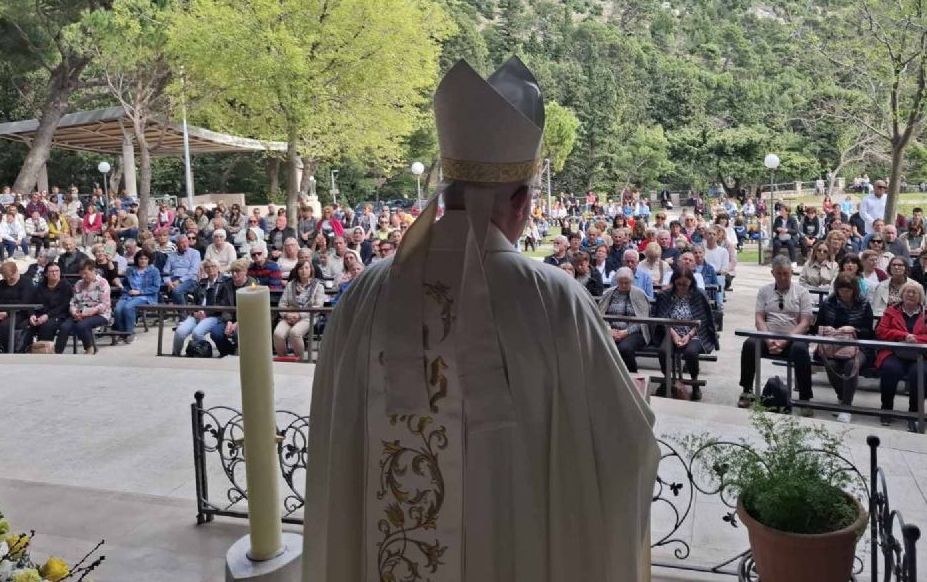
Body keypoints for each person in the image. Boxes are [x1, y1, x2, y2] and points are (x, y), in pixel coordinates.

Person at [303, 58, 658, 582]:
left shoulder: (368, 292)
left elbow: (337, 431)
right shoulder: (554, 299)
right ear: (521, 201)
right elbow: (625, 445)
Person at [738, 256, 814, 414]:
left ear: (791, 273)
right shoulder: (764, 291)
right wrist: (768, 339)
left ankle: (805, 398)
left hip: (793, 337)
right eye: (779, 273)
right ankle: (747, 390)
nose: (783, 277)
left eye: (786, 273)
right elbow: (759, 318)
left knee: (801, 351)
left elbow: (805, 322)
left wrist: (785, 341)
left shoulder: (802, 293)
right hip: (769, 336)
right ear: (773, 273)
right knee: (749, 345)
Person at [874, 279, 927, 430]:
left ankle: (914, 413)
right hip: (895, 351)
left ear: (920, 297)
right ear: (902, 294)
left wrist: (917, 339)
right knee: (889, 369)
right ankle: (886, 409)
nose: (911, 294)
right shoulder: (891, 311)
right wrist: (902, 335)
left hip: (922, 354)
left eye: (915, 292)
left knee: (918, 373)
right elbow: (881, 332)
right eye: (908, 291)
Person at [816, 273, 875, 423]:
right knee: (832, 365)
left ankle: (846, 407)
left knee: (851, 364)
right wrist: (828, 329)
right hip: (832, 345)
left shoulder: (863, 304)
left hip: (858, 346)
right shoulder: (829, 303)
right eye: (841, 290)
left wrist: (854, 329)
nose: (844, 293)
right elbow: (818, 326)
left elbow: (869, 331)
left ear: (854, 290)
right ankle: (843, 396)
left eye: (848, 290)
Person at [653, 267, 717, 401]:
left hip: (695, 332)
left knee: (691, 353)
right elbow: (661, 317)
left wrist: (689, 335)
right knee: (663, 351)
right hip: (670, 330)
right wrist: (673, 334)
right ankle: (667, 380)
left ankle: (695, 384)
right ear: (673, 282)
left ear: (691, 283)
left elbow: (704, 319)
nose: (682, 287)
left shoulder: (699, 294)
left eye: (685, 284)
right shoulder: (666, 295)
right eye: (679, 284)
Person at [598, 267, 650, 373]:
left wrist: (626, 332)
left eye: (627, 282)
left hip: (635, 332)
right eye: (620, 282)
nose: (624, 285)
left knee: (624, 348)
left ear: (632, 281)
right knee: (600, 345)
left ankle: (632, 375)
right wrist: (608, 329)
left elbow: (643, 319)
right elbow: (601, 314)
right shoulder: (609, 293)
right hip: (611, 330)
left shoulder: (639, 294)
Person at [55, 258, 112, 355]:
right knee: (64, 327)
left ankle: (89, 348)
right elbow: (73, 301)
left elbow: (105, 304)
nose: (83, 276)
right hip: (80, 313)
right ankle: (57, 351)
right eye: (81, 273)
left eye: (86, 273)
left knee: (81, 325)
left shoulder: (102, 283)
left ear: (93, 271)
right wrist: (74, 311)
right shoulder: (79, 284)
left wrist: (88, 312)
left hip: (100, 314)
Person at [274, 259, 325, 357]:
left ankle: (299, 359)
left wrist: (299, 315)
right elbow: (282, 304)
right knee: (278, 334)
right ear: (297, 270)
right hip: (289, 315)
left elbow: (318, 305)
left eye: (306, 268)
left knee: (295, 333)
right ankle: (284, 358)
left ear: (311, 270)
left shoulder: (319, 286)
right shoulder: (290, 285)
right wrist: (286, 314)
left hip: (308, 316)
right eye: (301, 268)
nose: (304, 270)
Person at [173, 259, 225, 356]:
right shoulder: (202, 282)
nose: (210, 269)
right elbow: (194, 301)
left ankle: (204, 352)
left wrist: (206, 313)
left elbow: (223, 303)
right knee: (179, 332)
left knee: (197, 333)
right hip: (197, 314)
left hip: (214, 315)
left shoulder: (224, 283)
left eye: (213, 266)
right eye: (207, 267)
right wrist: (194, 312)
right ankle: (175, 355)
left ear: (218, 268)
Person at [115, 250, 161, 341]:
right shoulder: (130, 270)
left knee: (128, 307)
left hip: (145, 296)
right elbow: (125, 283)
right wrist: (118, 282)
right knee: (117, 310)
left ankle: (129, 333)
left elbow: (156, 288)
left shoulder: (154, 271)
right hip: (128, 295)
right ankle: (121, 333)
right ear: (137, 259)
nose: (143, 261)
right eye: (141, 258)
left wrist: (139, 292)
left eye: (145, 259)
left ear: (149, 260)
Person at [0, 261, 35, 352]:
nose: (8, 279)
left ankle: (5, 350)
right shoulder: (1, 284)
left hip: (18, 313)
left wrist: (6, 313)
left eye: (10, 276)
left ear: (16, 271)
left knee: (5, 326)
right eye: (5, 277)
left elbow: (25, 302)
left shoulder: (26, 283)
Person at [208, 260, 250, 357]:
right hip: (229, 318)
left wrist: (238, 323)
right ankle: (227, 352)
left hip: (246, 320)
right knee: (215, 333)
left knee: (237, 334)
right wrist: (229, 321)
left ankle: (242, 354)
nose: (234, 274)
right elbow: (223, 305)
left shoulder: (252, 284)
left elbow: (251, 310)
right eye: (232, 272)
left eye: (238, 271)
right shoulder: (227, 285)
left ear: (245, 271)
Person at [28, 263, 72, 343]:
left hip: (58, 315)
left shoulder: (66, 286)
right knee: (26, 325)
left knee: (47, 326)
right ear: (46, 274)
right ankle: (23, 350)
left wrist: (47, 316)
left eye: (57, 271)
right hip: (40, 314)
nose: (55, 273)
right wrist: (32, 315)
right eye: (52, 271)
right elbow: (31, 302)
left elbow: (64, 306)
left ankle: (44, 352)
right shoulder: (40, 286)